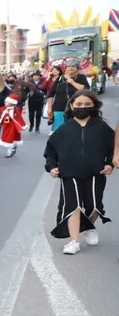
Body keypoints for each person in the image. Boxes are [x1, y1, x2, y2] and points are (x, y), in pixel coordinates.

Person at [44, 90, 115, 255]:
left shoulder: (102, 128)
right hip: (70, 174)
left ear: (94, 106)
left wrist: (110, 163)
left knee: (95, 207)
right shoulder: (64, 128)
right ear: (71, 105)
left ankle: (89, 227)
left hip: (96, 174)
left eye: (87, 104)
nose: (83, 107)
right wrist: (52, 166)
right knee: (73, 206)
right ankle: (74, 241)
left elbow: (114, 149)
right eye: (79, 104)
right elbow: (51, 151)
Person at [47, 58, 89, 132]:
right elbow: (51, 94)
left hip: (76, 108)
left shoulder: (81, 77)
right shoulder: (60, 78)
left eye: (73, 66)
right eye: (68, 66)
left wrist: (72, 82)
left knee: (75, 130)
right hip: (59, 109)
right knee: (59, 131)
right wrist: (49, 108)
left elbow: (86, 90)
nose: (70, 68)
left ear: (77, 68)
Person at [0, 94, 26, 158]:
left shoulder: (15, 110)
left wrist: (22, 125)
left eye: (7, 102)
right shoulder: (5, 109)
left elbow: (19, 118)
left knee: (10, 139)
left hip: (13, 128)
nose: (5, 103)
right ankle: (12, 148)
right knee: (8, 138)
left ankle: (9, 152)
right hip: (6, 127)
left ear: (12, 103)